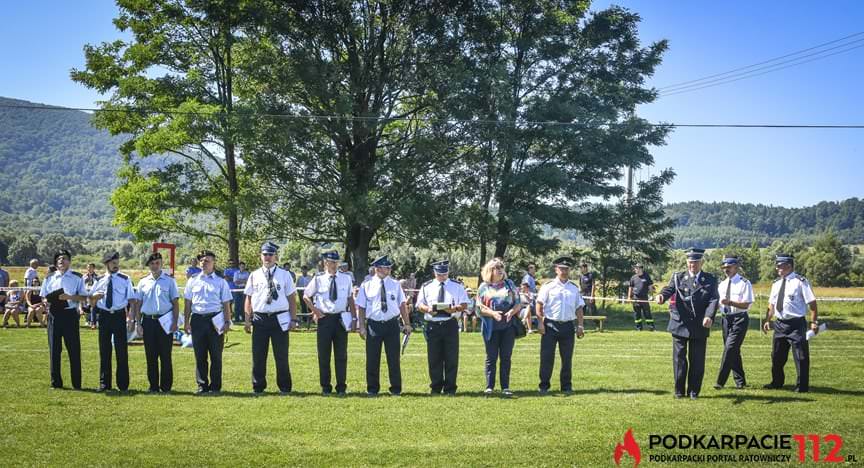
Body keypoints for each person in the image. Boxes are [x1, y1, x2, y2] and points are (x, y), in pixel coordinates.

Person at [656, 248, 719, 399]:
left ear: (702, 262)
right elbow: (668, 289)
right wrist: (661, 296)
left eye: (696, 262)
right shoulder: (678, 277)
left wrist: (709, 316)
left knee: (697, 360)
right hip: (680, 323)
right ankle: (679, 391)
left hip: (700, 325)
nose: (693, 265)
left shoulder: (710, 279)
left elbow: (713, 300)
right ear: (686, 262)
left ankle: (694, 391)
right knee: (679, 359)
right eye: (690, 262)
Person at [244, 242, 298, 395]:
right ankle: (258, 386)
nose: (267, 257)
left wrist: (293, 319)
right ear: (261, 256)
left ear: (275, 257)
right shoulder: (254, 275)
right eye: (264, 254)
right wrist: (248, 320)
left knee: (281, 355)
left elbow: (292, 298)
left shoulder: (284, 274)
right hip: (260, 318)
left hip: (279, 318)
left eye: (270, 254)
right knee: (258, 355)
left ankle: (285, 387)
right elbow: (248, 298)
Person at [356, 255, 412, 396]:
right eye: (386, 267)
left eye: (389, 267)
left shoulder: (395, 284)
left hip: (391, 324)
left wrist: (407, 323)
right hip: (374, 324)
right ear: (377, 268)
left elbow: (402, 304)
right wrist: (361, 326)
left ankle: (396, 389)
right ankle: (372, 389)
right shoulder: (366, 285)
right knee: (372, 358)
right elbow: (361, 307)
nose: (389, 269)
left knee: (393, 358)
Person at [763, 253, 818, 393]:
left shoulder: (801, 281)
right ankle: (776, 382)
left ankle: (802, 386)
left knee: (801, 356)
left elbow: (812, 303)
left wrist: (814, 322)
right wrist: (767, 320)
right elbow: (771, 304)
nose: (777, 268)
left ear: (789, 266)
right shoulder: (776, 284)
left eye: (780, 265)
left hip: (796, 324)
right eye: (777, 266)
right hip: (780, 324)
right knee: (776, 356)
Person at [303, 251, 355, 395]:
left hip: (340, 319)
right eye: (331, 262)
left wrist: (354, 318)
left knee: (341, 355)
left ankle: (341, 387)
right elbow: (306, 296)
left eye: (336, 262)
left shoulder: (346, 278)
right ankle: (325, 386)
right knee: (324, 355)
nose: (334, 265)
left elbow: (350, 298)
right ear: (325, 263)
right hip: (324, 319)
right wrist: (315, 310)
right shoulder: (318, 279)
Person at [416, 260, 469, 395]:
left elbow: (464, 304)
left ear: (448, 273)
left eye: (445, 274)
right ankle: (435, 387)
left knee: (451, 357)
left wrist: (455, 308)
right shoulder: (426, 286)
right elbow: (419, 304)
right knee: (434, 358)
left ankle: (450, 388)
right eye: (440, 274)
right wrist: (427, 309)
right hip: (433, 325)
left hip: (450, 323)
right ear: (435, 273)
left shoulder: (457, 286)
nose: (442, 277)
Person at [183, 250, 233, 395]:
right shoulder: (192, 280)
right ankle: (202, 385)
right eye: (202, 261)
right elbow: (187, 303)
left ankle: (215, 386)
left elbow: (226, 303)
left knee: (216, 355)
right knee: (200, 355)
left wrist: (227, 321)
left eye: (207, 261)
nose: (204, 263)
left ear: (213, 263)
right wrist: (186, 322)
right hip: (198, 320)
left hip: (215, 320)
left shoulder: (220, 281)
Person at [89, 251, 138, 393]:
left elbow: (131, 300)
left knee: (121, 351)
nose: (116, 265)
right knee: (104, 351)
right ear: (106, 264)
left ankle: (123, 385)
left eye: (117, 262)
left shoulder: (125, 279)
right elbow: (90, 302)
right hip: (104, 317)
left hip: (118, 316)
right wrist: (95, 298)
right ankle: (105, 384)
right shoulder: (99, 280)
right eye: (113, 263)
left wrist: (131, 318)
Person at [535, 257, 585, 394]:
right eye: (561, 268)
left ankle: (566, 387)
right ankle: (544, 386)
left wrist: (580, 326)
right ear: (556, 269)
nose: (564, 271)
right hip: (550, 325)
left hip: (568, 326)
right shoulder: (548, 286)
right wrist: (540, 322)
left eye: (566, 269)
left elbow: (579, 307)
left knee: (567, 359)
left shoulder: (574, 288)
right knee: (546, 358)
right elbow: (539, 304)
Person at [40, 250, 88, 390]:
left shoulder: (77, 277)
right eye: (59, 259)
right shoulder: (49, 278)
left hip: (70, 316)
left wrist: (69, 297)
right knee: (54, 350)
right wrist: (45, 302)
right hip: (54, 315)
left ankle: (77, 384)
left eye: (65, 258)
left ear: (69, 261)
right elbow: (43, 296)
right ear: (56, 262)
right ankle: (56, 383)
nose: (61, 261)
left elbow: (84, 297)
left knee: (74, 350)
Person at [133, 252, 180, 393]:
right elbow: (138, 305)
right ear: (149, 265)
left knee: (166, 356)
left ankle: (166, 387)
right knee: (150, 356)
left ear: (161, 264)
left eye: (157, 263)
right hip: (148, 322)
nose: (155, 266)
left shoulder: (170, 281)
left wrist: (175, 322)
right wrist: (138, 324)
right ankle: (153, 386)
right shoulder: (143, 282)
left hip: (165, 321)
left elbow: (176, 303)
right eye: (152, 263)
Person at [476, 258, 522, 396]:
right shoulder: (483, 287)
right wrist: (492, 313)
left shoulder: (509, 284)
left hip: (508, 326)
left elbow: (518, 303)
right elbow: (479, 308)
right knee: (491, 357)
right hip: (490, 326)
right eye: (497, 267)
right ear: (490, 270)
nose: (500, 269)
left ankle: (505, 387)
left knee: (506, 357)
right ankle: (489, 386)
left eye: (502, 267)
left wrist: (511, 312)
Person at [714, 255, 753, 390]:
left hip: (739, 318)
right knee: (733, 350)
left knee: (729, 348)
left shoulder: (744, 283)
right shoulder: (722, 284)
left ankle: (720, 381)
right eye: (724, 267)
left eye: (729, 267)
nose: (726, 270)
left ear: (736, 267)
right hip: (726, 319)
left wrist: (730, 302)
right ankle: (740, 381)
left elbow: (747, 305)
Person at [628, 263, 656, 331]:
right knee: (637, 314)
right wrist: (629, 297)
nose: (635, 269)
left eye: (636, 268)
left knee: (647, 313)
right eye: (635, 268)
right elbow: (630, 288)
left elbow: (650, 287)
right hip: (635, 298)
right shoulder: (633, 277)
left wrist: (652, 295)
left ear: (641, 269)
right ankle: (639, 328)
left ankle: (651, 327)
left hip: (644, 298)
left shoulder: (646, 276)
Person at [82, 263, 99, 329]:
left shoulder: (97, 277)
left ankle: (93, 323)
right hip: (85, 295)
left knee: (93, 307)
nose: (89, 269)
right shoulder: (84, 277)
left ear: (94, 268)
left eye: (90, 267)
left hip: (93, 296)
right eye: (88, 267)